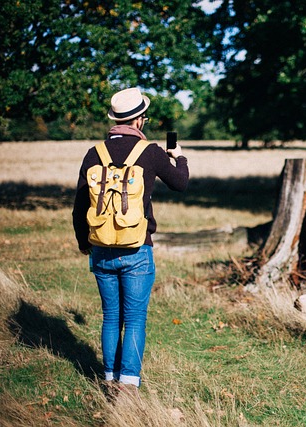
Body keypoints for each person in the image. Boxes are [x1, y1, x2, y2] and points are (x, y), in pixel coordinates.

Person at [72, 88, 189, 389]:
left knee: (111, 317)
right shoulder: (149, 152)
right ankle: (127, 385)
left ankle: (109, 379)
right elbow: (180, 184)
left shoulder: (93, 153)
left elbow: (79, 206)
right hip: (137, 247)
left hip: (100, 246)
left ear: (115, 120)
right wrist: (179, 157)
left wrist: (85, 242)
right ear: (139, 120)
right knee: (134, 319)